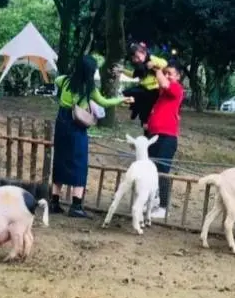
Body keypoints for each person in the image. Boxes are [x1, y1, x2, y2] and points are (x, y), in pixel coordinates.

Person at [49, 55, 134, 218]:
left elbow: (57, 80)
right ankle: (76, 206)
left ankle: (54, 202)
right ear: (90, 72)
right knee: (79, 163)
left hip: (61, 125)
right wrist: (123, 99)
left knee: (60, 161)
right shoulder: (89, 89)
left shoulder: (64, 80)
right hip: (76, 127)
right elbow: (105, 102)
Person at [145, 62, 184, 220]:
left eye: (170, 73)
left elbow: (164, 82)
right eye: (165, 73)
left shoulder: (176, 88)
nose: (167, 75)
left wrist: (158, 69)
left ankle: (163, 206)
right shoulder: (161, 95)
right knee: (151, 169)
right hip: (155, 135)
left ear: (178, 77)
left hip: (168, 137)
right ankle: (153, 201)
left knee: (162, 171)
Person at [118, 42, 168, 130]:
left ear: (144, 53)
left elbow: (164, 63)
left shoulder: (151, 58)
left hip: (153, 90)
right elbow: (133, 74)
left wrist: (154, 64)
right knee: (129, 94)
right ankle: (140, 118)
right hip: (143, 89)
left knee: (147, 112)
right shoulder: (139, 66)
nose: (137, 59)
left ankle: (147, 125)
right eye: (134, 58)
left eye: (138, 56)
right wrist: (122, 70)